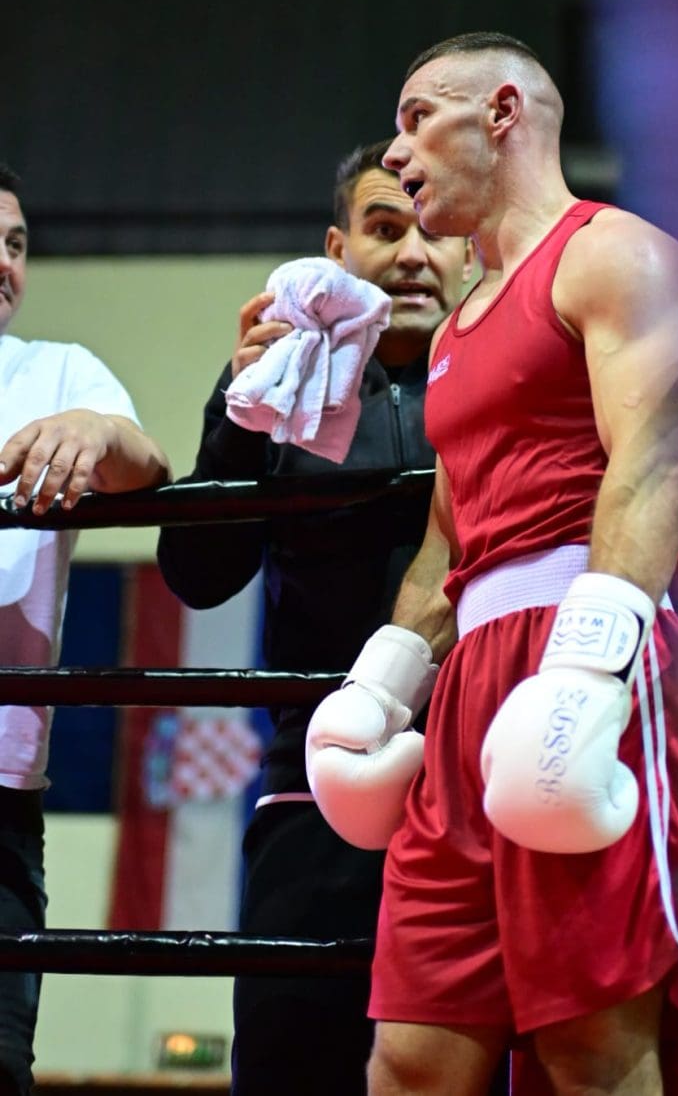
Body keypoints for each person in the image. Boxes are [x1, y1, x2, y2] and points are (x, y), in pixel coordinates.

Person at [305, 34, 678, 1096]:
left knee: (589, 1046)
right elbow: (449, 537)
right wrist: (381, 688)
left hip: (589, 653)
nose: (397, 152)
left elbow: (654, 460)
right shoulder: (457, 328)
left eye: (416, 116)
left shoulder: (616, 254)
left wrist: (584, 671)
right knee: (413, 1054)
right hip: (469, 689)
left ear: (502, 111)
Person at [156, 140, 474, 1096]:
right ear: (337, 250)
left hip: (475, 782)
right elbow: (197, 577)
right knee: (292, 1062)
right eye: (383, 227)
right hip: (313, 786)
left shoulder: (509, 384)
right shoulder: (283, 380)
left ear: (469, 248)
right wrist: (237, 414)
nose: (411, 253)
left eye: (432, 231)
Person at [0, 163, 170, 1096]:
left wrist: (98, 431)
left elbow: (146, 467)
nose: (5, 262)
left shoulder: (57, 372)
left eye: (17, 243)